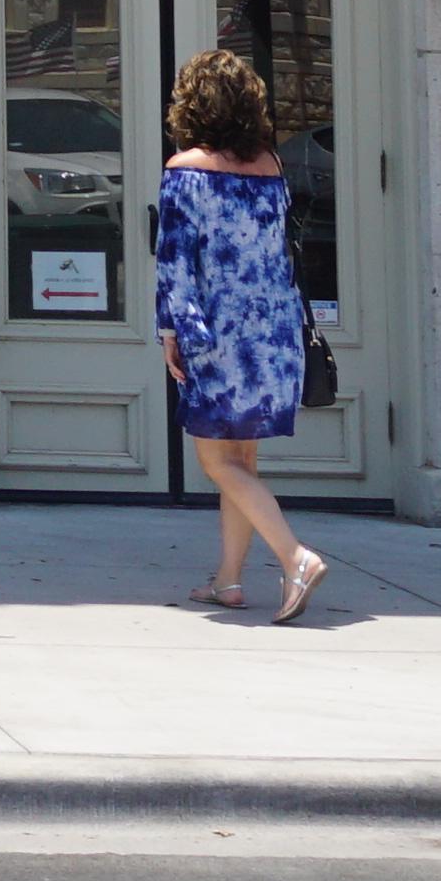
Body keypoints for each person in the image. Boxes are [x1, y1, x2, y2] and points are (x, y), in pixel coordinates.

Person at [153, 47, 326, 623]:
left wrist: (171, 331)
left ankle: (295, 557)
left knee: (216, 462)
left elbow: (175, 261)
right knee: (242, 461)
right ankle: (228, 581)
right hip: (271, 333)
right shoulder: (272, 167)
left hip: (216, 331)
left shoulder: (186, 169)